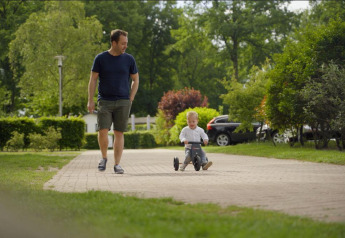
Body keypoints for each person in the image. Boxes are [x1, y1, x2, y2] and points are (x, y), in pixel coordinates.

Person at [87, 29, 139, 174]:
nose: (125, 46)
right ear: (114, 42)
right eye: (123, 43)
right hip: (105, 101)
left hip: (123, 101)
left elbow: (135, 79)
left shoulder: (129, 59)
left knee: (119, 132)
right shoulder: (100, 58)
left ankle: (117, 164)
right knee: (103, 130)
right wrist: (90, 100)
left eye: (126, 43)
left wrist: (132, 96)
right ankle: (104, 158)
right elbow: (93, 80)